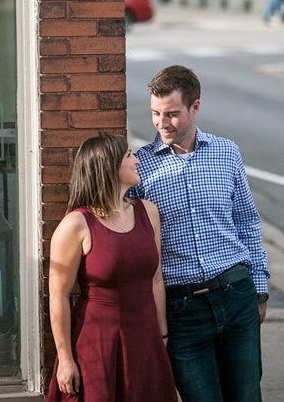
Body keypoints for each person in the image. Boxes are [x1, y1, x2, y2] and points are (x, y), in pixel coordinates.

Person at [129, 65, 269, 402]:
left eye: (172, 114)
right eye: (155, 114)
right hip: (182, 310)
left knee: (247, 396)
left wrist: (259, 289)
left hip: (236, 294)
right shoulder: (139, 169)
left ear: (195, 107)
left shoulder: (227, 152)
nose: (162, 123)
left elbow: (247, 221)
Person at [46, 133, 177, 402]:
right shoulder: (76, 225)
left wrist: (162, 334)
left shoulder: (148, 212)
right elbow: (58, 295)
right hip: (97, 342)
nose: (137, 160)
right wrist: (66, 360)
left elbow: (156, 280)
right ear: (109, 168)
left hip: (145, 337)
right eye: (129, 155)